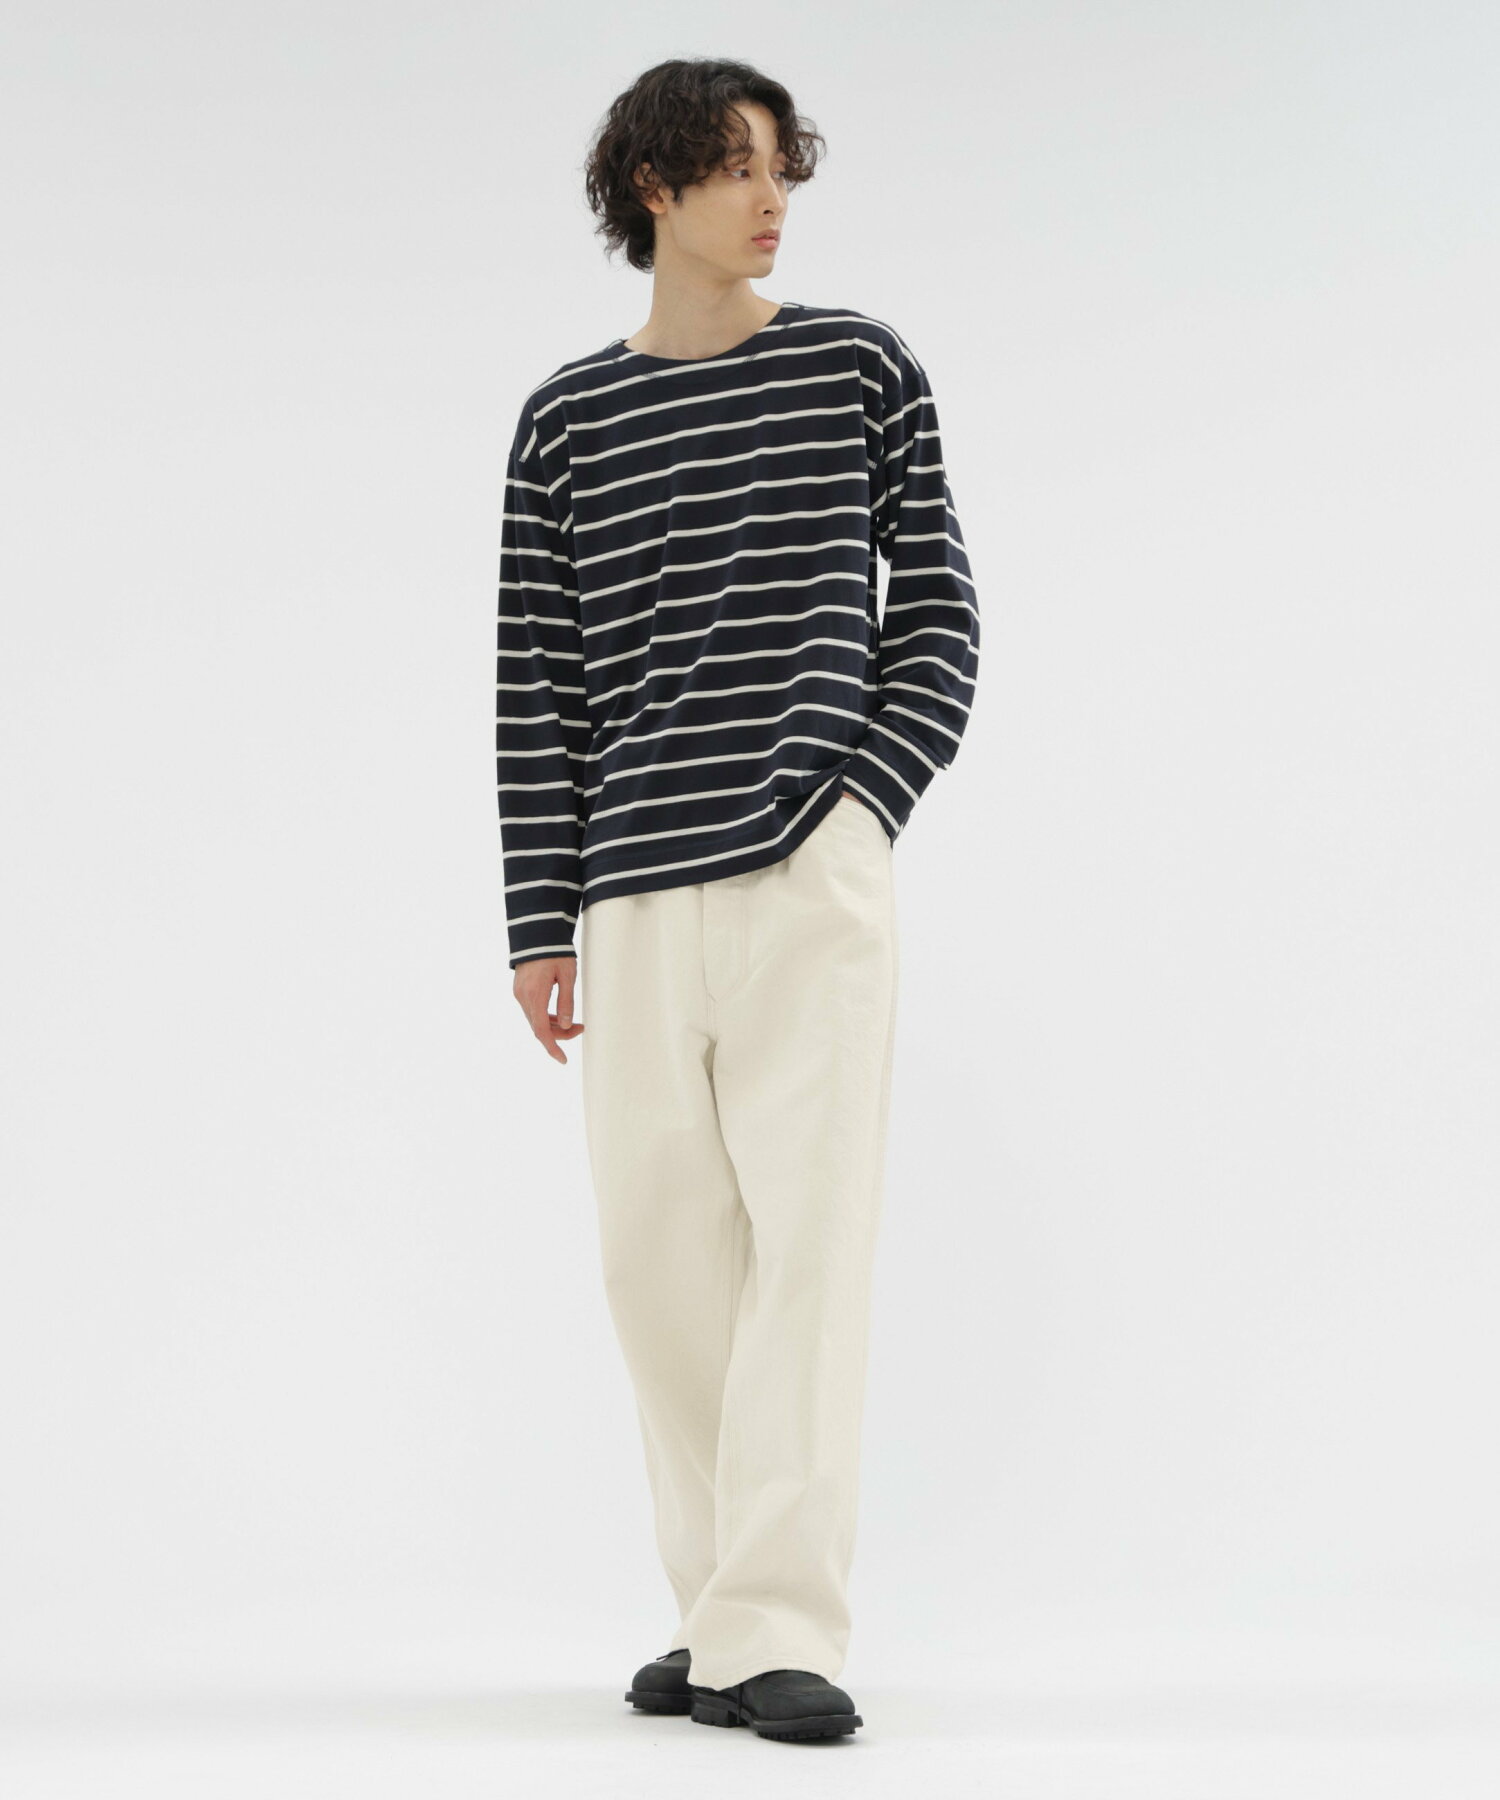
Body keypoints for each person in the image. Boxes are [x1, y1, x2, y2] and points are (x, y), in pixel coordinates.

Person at [496, 57, 980, 1743]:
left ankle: (777, 1624)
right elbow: (540, 685)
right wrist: (540, 919)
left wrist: (862, 804)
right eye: (738, 167)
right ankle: (716, 1613)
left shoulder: (857, 367)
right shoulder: (566, 420)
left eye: (786, 167)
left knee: (807, 1253)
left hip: (803, 873)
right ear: (655, 187)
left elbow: (941, 614)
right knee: (660, 1268)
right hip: (632, 892)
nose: (774, 199)